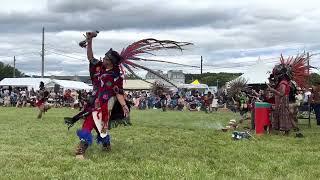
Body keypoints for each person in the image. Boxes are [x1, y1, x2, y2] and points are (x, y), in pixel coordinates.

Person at [267, 54, 309, 135]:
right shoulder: (285, 82)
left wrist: (272, 90)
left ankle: (287, 132)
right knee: (285, 116)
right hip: (282, 102)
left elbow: (282, 93)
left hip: (282, 102)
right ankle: (289, 130)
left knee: (284, 116)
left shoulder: (283, 83)